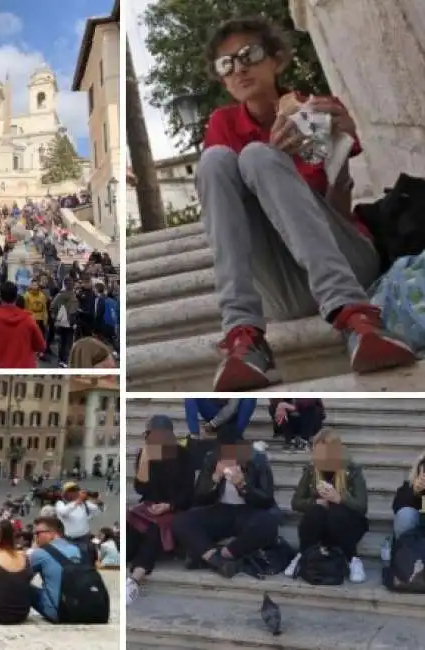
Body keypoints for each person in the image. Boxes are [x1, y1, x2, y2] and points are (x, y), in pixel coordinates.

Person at [197, 16, 415, 391]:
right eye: (226, 64)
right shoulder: (223, 124)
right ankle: (243, 335)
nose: (240, 68)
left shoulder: (316, 111)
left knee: (257, 157)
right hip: (285, 286)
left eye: (250, 54)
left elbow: (341, 208)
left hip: (346, 263)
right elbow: (231, 215)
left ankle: (357, 317)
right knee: (219, 160)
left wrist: (340, 151)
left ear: (277, 59)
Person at [171, 439, 279, 578]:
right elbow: (198, 497)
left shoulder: (257, 460)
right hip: (221, 510)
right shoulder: (212, 459)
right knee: (181, 521)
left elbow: (266, 499)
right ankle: (214, 559)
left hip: (248, 511)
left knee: (269, 524)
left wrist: (243, 486)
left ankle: (224, 555)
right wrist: (214, 479)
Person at [126, 415, 195, 603]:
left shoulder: (183, 455)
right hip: (150, 506)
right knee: (130, 526)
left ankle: (135, 579)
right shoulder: (147, 454)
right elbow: (141, 488)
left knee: (152, 531)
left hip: (175, 507)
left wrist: (169, 505)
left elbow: (189, 492)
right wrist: (145, 460)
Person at [289, 428, 368, 583]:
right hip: (321, 525)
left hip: (348, 525)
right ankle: (302, 555)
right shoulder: (312, 470)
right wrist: (315, 501)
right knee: (315, 511)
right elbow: (296, 502)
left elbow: (362, 506)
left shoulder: (352, 470)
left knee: (337, 512)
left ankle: (353, 558)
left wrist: (339, 498)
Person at [0, 281, 46, 368]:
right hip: (24, 369)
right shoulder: (28, 319)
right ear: (16, 296)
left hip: (0, 368)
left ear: (0, 296)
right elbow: (41, 346)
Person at [28, 516, 80, 623]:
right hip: (82, 609)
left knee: (24, 587)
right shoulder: (76, 550)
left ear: (52, 533)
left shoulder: (40, 553)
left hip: (59, 613)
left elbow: (20, 577)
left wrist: (33, 550)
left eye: (37, 533)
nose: (35, 537)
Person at [55, 483, 101, 566]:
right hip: (69, 540)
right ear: (65, 493)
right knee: (70, 563)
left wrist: (89, 500)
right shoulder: (60, 503)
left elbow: (96, 510)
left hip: (84, 539)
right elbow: (63, 512)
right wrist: (78, 501)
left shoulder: (83, 503)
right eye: (71, 491)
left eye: (76, 490)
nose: (75, 493)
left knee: (87, 562)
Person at [392, 451, 425, 540]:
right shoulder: (412, 486)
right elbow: (397, 505)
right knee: (406, 515)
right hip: (417, 541)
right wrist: (415, 492)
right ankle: (404, 550)